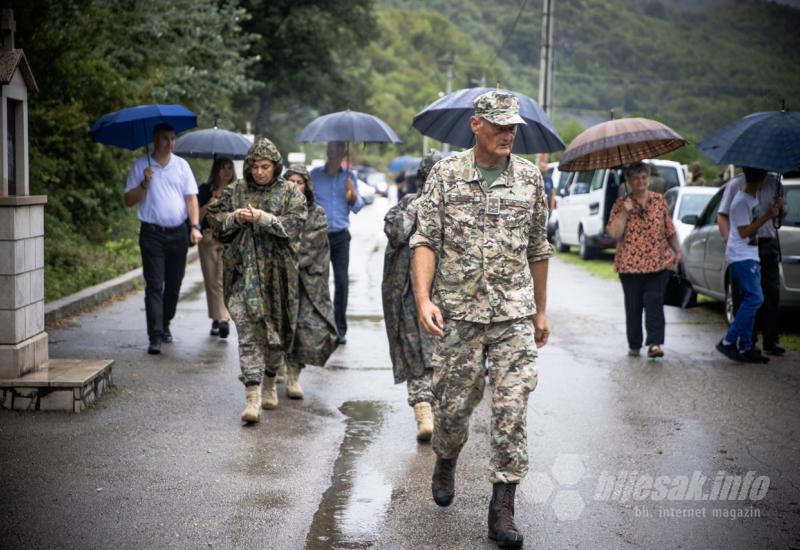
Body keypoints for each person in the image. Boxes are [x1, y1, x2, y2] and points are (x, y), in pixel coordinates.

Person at [410, 91, 552, 548]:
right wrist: (422, 298)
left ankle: (502, 508)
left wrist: (542, 310)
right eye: (500, 125)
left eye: (514, 127)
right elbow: (425, 239)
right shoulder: (447, 175)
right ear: (477, 125)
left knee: (511, 410)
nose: (509, 133)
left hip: (513, 315)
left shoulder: (531, 180)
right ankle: (446, 457)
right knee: (451, 409)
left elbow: (538, 249)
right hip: (459, 312)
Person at [206, 138, 307, 424]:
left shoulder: (290, 193)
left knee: (276, 338)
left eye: (266, 167)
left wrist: (263, 218)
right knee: (249, 334)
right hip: (242, 276)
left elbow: (296, 224)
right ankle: (252, 395)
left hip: (278, 278)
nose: (260, 172)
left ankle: (270, 380)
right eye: (255, 167)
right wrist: (234, 218)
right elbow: (214, 217)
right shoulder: (236, 190)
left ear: (275, 167)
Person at [261, 165, 339, 407]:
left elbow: (307, 247)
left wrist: (286, 249)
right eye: (291, 181)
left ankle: (294, 375)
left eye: (300, 182)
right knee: (279, 326)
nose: (295, 186)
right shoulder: (276, 211)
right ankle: (275, 371)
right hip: (281, 280)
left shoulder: (317, 214)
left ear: (307, 186)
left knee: (306, 329)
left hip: (308, 283)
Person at [124, 123, 202, 355]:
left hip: (178, 232)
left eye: (172, 138)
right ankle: (155, 335)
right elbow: (129, 200)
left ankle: (165, 322)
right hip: (152, 234)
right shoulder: (141, 166)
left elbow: (191, 199)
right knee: (155, 284)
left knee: (174, 284)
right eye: (165, 138)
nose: (170, 143)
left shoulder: (181, 166)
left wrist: (195, 226)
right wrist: (145, 183)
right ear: (155, 140)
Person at [382, 150, 442, 443]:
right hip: (408, 293)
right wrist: (422, 206)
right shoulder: (407, 204)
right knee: (414, 354)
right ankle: (423, 413)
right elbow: (395, 232)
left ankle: (439, 412)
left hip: (445, 294)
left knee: (442, 356)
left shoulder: (457, 208)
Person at [606, 162, 682, 359]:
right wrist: (625, 211)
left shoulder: (659, 201)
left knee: (654, 302)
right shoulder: (620, 204)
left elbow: (669, 229)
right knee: (633, 306)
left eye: (644, 177)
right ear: (629, 181)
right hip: (629, 266)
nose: (641, 181)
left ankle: (655, 343)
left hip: (658, 263)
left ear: (649, 179)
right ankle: (634, 344)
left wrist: (678, 251)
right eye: (636, 178)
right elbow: (615, 233)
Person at [716, 167, 786, 358]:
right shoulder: (740, 199)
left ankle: (747, 346)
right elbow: (744, 231)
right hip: (742, 254)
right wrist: (767, 216)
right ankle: (729, 341)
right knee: (754, 298)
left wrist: (778, 210)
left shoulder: (751, 198)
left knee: (761, 295)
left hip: (753, 250)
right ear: (762, 178)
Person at [310, 141, 364, 344]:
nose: (334, 154)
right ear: (327, 151)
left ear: (344, 153)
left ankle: (340, 328)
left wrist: (352, 194)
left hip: (341, 236)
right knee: (319, 281)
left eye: (339, 150)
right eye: (331, 149)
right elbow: (306, 202)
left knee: (342, 282)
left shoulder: (349, 177)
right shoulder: (315, 176)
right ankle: (321, 325)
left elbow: (358, 207)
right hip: (319, 235)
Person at [197, 157, 235, 339]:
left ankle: (223, 319)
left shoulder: (237, 191)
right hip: (208, 239)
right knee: (212, 281)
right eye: (222, 168)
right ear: (216, 170)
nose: (226, 171)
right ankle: (217, 318)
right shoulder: (205, 190)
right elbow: (197, 216)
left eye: (229, 167)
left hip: (229, 240)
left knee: (224, 280)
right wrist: (210, 203)